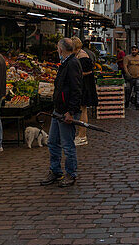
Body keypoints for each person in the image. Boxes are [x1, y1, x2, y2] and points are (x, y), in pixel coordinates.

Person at [40, 38, 82, 187]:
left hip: (66, 111)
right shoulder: (65, 63)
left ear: (62, 49)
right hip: (58, 110)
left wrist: (70, 112)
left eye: (57, 48)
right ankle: (55, 171)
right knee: (52, 141)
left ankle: (71, 174)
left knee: (67, 144)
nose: (57, 51)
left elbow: (76, 90)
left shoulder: (72, 64)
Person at [73, 37, 98, 146]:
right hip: (84, 86)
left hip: (85, 87)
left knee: (83, 110)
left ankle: (82, 135)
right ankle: (80, 135)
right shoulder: (80, 55)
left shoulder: (83, 57)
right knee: (82, 110)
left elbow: (87, 71)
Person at [122, 45, 139, 111]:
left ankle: (138, 104)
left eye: (135, 50)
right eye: (133, 50)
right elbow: (125, 66)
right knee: (128, 91)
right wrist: (127, 73)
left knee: (138, 91)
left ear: (138, 50)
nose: (134, 51)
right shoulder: (127, 58)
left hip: (138, 77)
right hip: (129, 77)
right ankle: (127, 102)